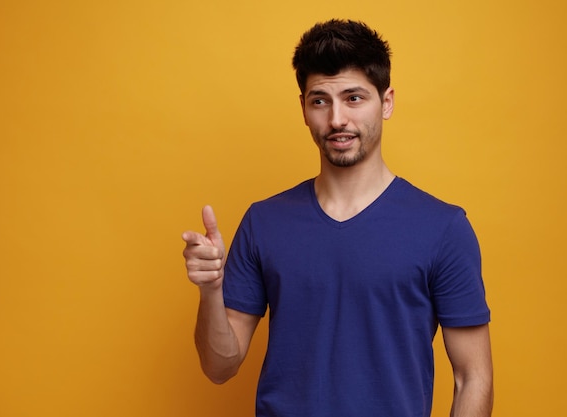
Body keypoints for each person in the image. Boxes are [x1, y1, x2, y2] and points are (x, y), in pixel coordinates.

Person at [182, 19, 493, 417]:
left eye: (354, 98)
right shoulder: (263, 222)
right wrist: (210, 291)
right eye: (320, 101)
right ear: (304, 108)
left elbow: (473, 378)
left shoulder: (443, 228)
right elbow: (219, 366)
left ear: (387, 101)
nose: (336, 120)